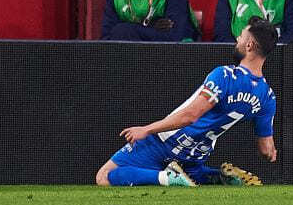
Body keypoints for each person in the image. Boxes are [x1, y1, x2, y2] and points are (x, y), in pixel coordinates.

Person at [95, 18, 277, 187]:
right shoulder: (267, 96)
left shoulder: (226, 76)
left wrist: (146, 129)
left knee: (104, 176)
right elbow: (266, 149)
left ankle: (169, 177)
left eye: (242, 36)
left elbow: (190, 116)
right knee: (188, 172)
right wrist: (271, 154)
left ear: (250, 45)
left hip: (167, 142)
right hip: (195, 154)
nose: (237, 38)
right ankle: (217, 177)